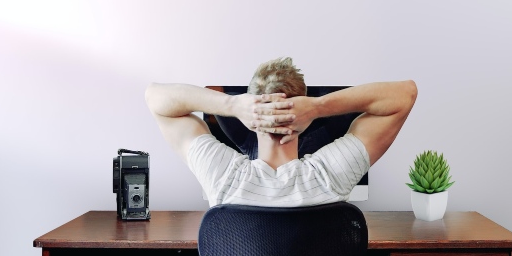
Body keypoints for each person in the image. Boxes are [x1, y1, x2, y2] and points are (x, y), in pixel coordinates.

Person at [145, 57, 417, 207]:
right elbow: (405, 94)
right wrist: (319, 106)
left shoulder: (222, 176)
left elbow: (155, 98)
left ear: (251, 116)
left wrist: (232, 104)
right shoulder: (331, 175)